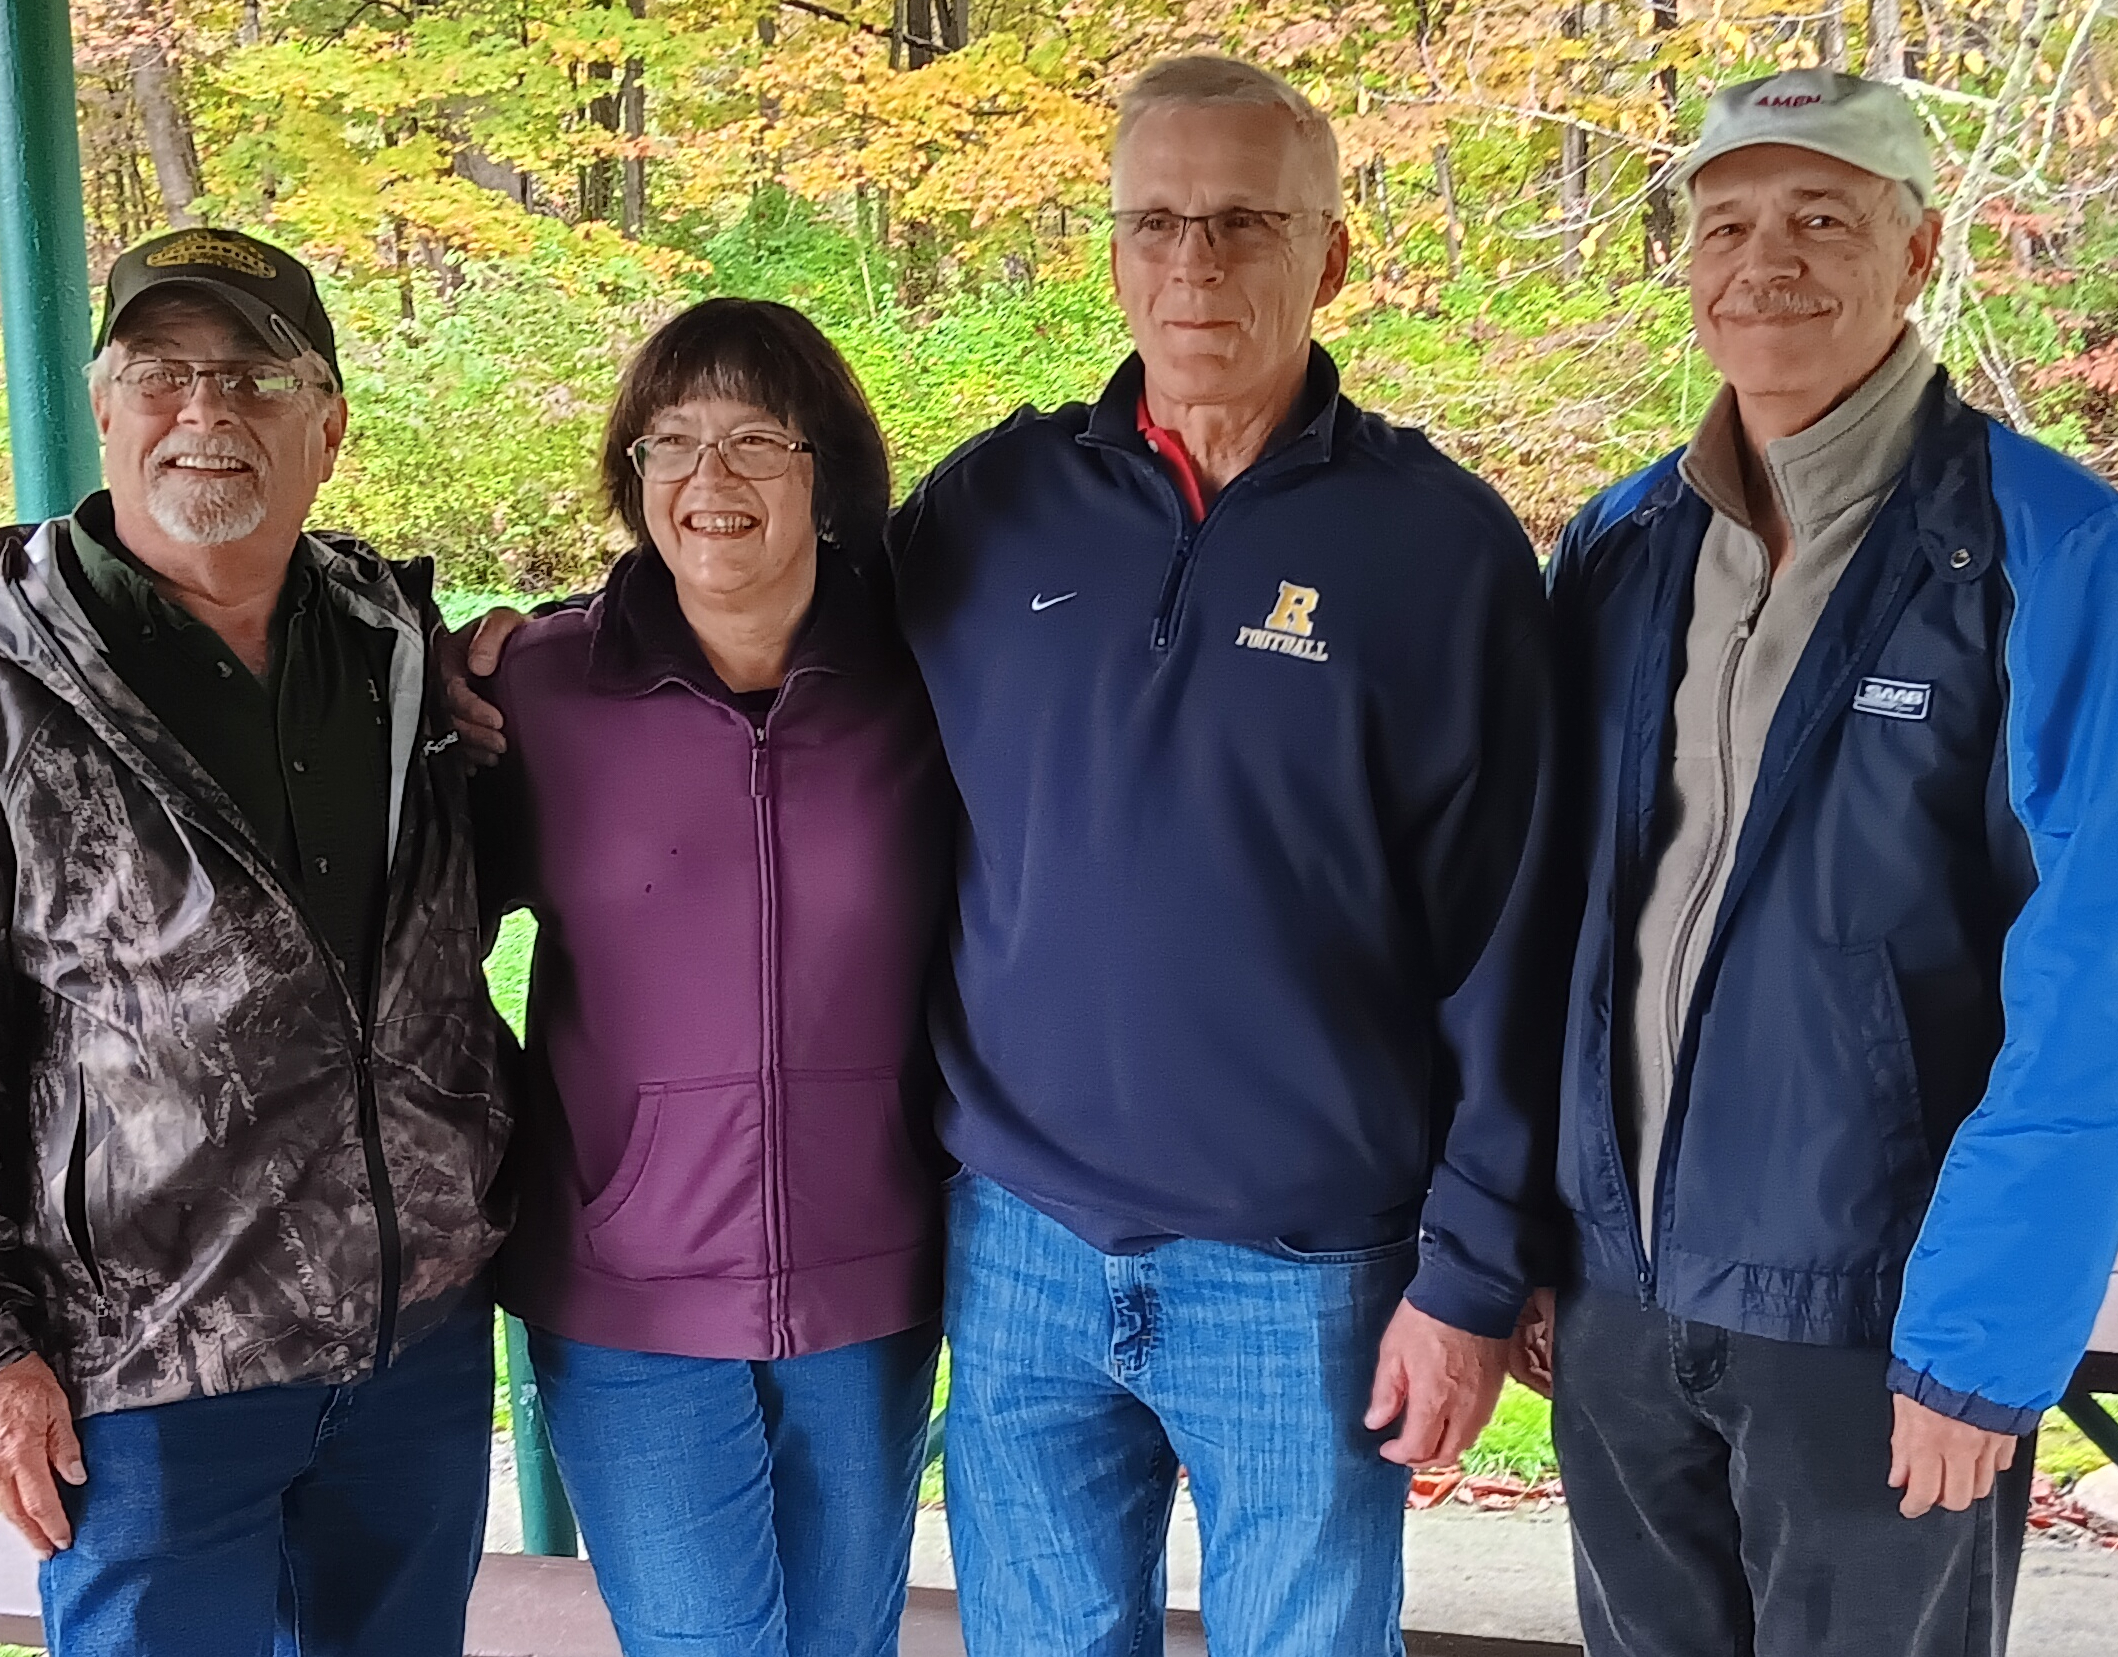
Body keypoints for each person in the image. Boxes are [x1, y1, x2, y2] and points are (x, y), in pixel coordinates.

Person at [452, 56, 1560, 1657]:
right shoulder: (1000, 510)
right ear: (1109, 254)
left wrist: (1467, 1273)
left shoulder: (1441, 551)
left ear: (1327, 253)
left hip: (1302, 1259)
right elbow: (735, 632)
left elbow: (1515, 936)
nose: (1195, 264)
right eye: (1157, 222)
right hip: (1022, 1244)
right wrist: (490, 653)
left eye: (1245, 222)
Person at [1523, 69, 2118, 1656]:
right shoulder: (1620, 547)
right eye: (1727, 223)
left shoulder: (2050, 550)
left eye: (1821, 218)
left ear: (1916, 252)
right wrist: (1535, 1238)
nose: (1763, 261)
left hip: (1879, 1324)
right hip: (1623, 1306)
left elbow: (2099, 968)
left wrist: (1984, 1338)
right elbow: (1558, 924)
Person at [0, 228, 513, 1656]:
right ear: (106, 406)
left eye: (255, 376)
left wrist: (517, 681)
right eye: (164, 373)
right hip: (148, 1368)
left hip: (412, 1342)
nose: (208, 412)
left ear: (329, 428)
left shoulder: (394, 641)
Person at [473, 298, 952, 1657]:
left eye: (753, 440)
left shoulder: (931, 682)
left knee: (842, 1644)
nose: (708, 480)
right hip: (626, 1280)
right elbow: (407, 935)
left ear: (827, 470)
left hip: (870, 1276)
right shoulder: (542, 690)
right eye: (670, 444)